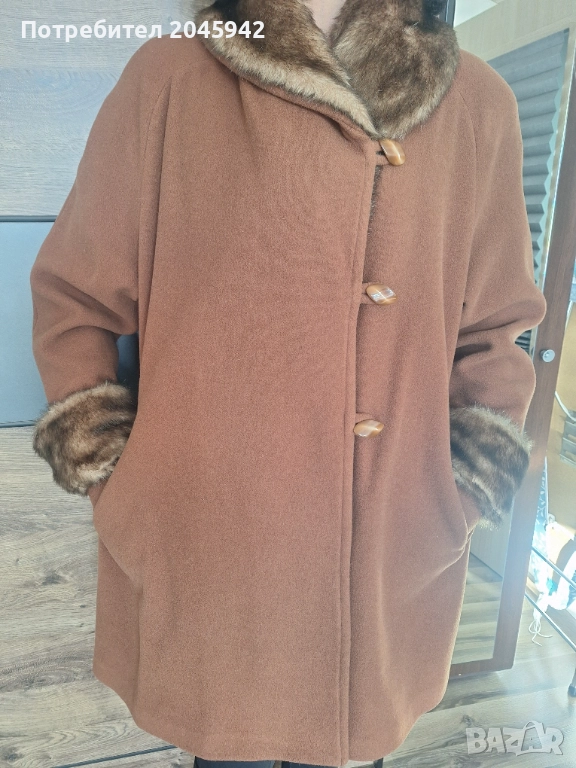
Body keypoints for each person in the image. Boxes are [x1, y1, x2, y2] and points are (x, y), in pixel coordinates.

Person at [29, 1, 547, 766]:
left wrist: (462, 489)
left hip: (392, 546)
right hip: (212, 551)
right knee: (226, 750)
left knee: (349, 744)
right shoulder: (172, 76)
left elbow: (496, 330)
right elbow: (75, 301)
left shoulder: (476, 101)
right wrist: (118, 475)